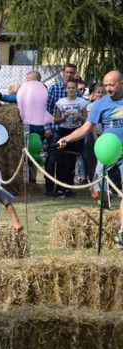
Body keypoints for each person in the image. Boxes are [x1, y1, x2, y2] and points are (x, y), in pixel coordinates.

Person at [57, 70, 123, 249]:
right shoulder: (100, 104)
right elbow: (85, 129)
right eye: (106, 85)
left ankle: (122, 232)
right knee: (95, 193)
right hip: (106, 151)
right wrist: (67, 138)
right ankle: (104, 197)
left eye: (112, 85)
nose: (108, 89)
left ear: (121, 83)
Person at [44, 63, 77, 197]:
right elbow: (46, 108)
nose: (69, 75)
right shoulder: (54, 88)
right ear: (63, 72)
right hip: (55, 128)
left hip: (71, 130)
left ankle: (65, 187)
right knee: (52, 159)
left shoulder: (77, 91)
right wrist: (46, 127)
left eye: (72, 73)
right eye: (67, 72)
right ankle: (50, 188)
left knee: (69, 160)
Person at [52, 79, 88, 196]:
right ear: (65, 89)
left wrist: (79, 116)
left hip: (76, 131)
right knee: (61, 160)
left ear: (77, 89)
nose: (71, 90)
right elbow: (56, 120)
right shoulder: (61, 102)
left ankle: (69, 186)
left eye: (73, 88)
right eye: (69, 88)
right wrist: (64, 117)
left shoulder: (82, 102)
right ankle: (59, 187)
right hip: (63, 131)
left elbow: (86, 120)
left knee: (72, 160)